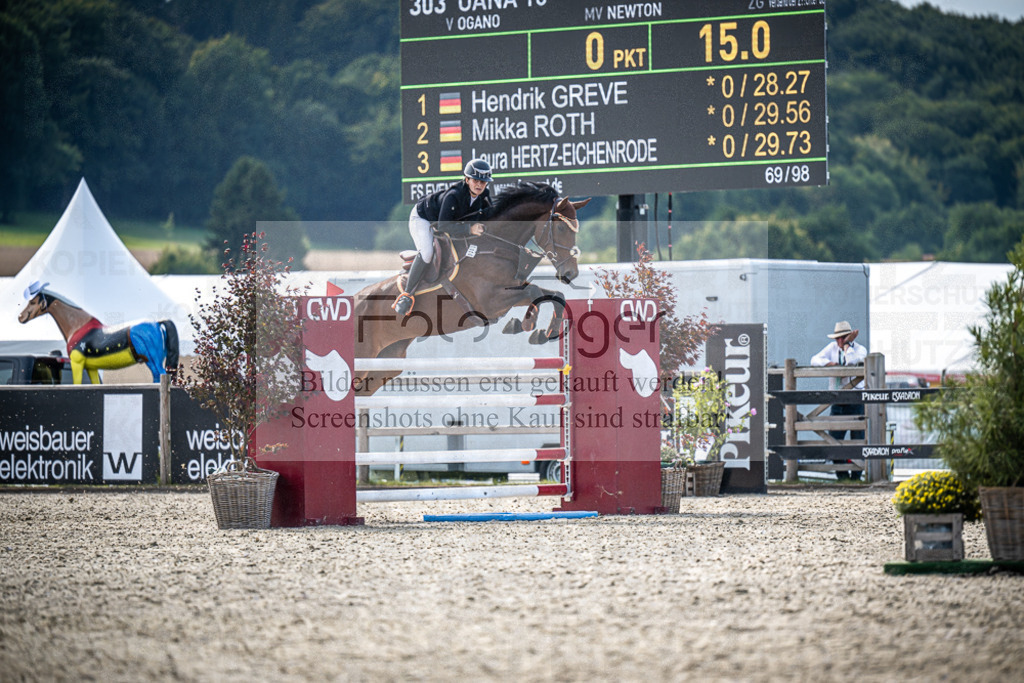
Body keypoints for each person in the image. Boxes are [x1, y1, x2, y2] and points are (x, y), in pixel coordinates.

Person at [392, 159, 494, 316]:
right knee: (427, 253)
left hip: (447, 222)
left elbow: (491, 218)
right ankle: (406, 295)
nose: (479, 185)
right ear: (467, 179)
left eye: (483, 182)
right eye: (475, 180)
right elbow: (443, 226)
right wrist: (470, 228)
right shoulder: (454, 195)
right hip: (423, 218)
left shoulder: (484, 196)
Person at [810, 321, 868, 481]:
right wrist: (831, 364)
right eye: (838, 338)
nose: (839, 341)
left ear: (849, 337)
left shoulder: (860, 349)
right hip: (837, 399)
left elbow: (851, 362)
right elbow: (814, 360)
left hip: (856, 399)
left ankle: (856, 476)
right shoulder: (832, 348)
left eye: (842, 338)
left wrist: (847, 346)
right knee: (834, 439)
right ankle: (842, 476)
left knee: (857, 440)